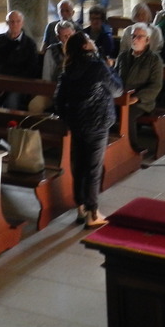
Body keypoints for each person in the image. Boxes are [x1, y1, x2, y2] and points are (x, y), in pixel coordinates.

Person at [54, 32, 124, 228]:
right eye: (89, 40)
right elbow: (117, 90)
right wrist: (111, 69)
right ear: (85, 46)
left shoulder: (68, 69)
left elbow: (58, 100)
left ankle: (81, 208)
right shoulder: (97, 66)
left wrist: (69, 118)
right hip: (97, 123)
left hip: (77, 124)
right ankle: (92, 213)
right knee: (93, 168)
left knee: (79, 166)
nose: (93, 41)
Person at [113, 23, 164, 151]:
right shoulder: (123, 56)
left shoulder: (154, 60)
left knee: (127, 114)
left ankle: (132, 148)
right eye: (133, 36)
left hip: (143, 102)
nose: (135, 39)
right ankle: (111, 146)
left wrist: (137, 98)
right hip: (121, 97)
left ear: (147, 40)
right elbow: (114, 76)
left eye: (139, 37)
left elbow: (155, 85)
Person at [0, 10, 39, 110]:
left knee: (11, 105)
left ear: (22, 23)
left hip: (16, 85)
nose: (15, 24)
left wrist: (8, 85)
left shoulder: (29, 44)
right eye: (11, 22)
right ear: (7, 23)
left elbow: (31, 70)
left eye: (18, 21)